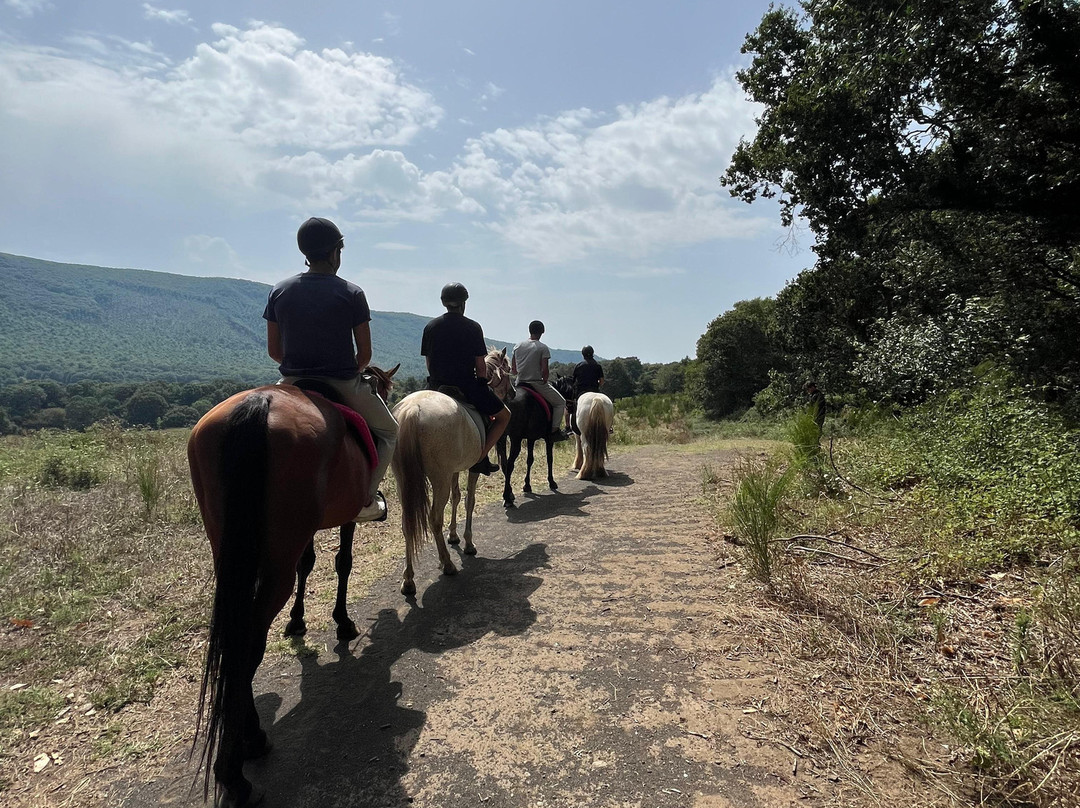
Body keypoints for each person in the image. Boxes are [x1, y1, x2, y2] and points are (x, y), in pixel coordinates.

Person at [263, 217, 398, 522]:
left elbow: (275, 352)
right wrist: (349, 368)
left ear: (305, 252)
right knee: (390, 431)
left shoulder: (279, 291)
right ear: (336, 252)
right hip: (342, 382)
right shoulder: (352, 292)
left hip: (292, 381)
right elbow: (364, 355)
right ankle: (366, 499)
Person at [421, 282, 511, 475]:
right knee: (504, 416)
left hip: (435, 385)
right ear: (463, 303)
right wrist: (481, 383)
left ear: (444, 302)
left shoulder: (430, 327)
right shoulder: (473, 327)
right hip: (466, 386)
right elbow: (480, 365)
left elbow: (429, 362)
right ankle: (480, 458)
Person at [511, 320, 569, 441]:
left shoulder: (517, 346)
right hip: (536, 383)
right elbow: (545, 371)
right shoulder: (542, 348)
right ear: (542, 332)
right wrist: (544, 379)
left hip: (519, 383)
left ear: (529, 330)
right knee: (560, 402)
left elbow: (514, 370)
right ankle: (554, 431)